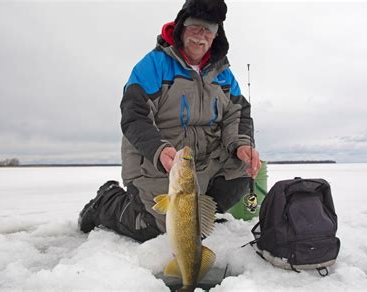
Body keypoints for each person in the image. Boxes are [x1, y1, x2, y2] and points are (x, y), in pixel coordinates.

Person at [78, 0, 261, 243]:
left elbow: (237, 114)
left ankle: (198, 216)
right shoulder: (153, 65)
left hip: (204, 162)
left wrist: (241, 145)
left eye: (209, 30)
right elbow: (135, 117)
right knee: (158, 228)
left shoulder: (224, 74)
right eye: (195, 27)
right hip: (157, 160)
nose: (201, 36)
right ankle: (106, 201)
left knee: (241, 170)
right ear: (182, 27)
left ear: (217, 35)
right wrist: (158, 148)